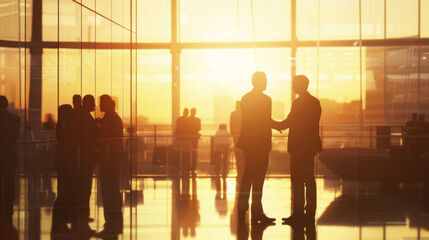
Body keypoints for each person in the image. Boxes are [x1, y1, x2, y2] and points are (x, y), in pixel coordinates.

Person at [273, 75, 322, 224]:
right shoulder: (314, 102)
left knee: (298, 180)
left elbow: (290, 121)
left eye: (294, 84)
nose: (293, 87)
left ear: (301, 85)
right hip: (309, 146)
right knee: (308, 178)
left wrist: (272, 124)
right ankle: (309, 211)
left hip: (299, 146)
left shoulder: (299, 103)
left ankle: (299, 212)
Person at [236, 71, 277, 224]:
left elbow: (252, 120)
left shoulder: (245, 98)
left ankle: (242, 209)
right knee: (259, 177)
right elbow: (265, 120)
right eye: (265, 80)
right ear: (259, 82)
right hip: (261, 142)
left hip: (249, 142)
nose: (267, 83)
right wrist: (280, 125)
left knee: (247, 176)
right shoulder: (266, 100)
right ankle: (257, 211)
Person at [96, 95, 124, 236]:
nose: (99, 105)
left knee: (109, 192)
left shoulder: (110, 120)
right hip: (112, 159)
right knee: (112, 191)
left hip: (109, 160)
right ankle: (114, 225)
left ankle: (111, 225)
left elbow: (107, 139)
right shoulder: (113, 118)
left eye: (101, 103)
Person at [76, 94, 98, 233]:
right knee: (85, 187)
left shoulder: (85, 116)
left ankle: (84, 216)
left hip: (85, 157)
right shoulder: (84, 117)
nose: (95, 105)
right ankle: (82, 216)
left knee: (85, 188)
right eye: (93, 103)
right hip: (85, 157)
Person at [0, 96, 20, 227]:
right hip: (10, 155)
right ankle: (9, 206)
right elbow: (16, 136)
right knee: (10, 182)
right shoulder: (15, 119)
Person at [230, 101, 245, 183]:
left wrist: (233, 133)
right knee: (242, 156)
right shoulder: (243, 113)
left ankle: (240, 173)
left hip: (236, 136)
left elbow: (231, 125)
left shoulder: (233, 114)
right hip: (241, 136)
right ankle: (241, 173)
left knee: (238, 156)